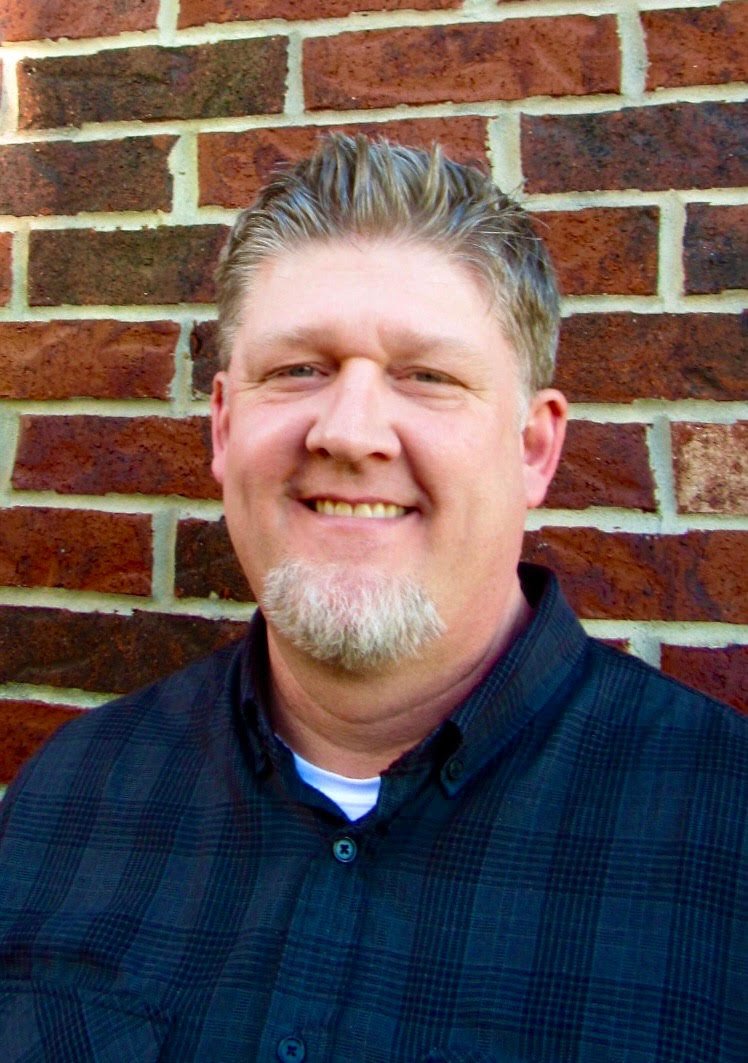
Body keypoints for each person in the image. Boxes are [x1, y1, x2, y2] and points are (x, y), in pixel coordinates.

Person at [0, 135, 744, 1062]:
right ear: (224, 426)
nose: (350, 432)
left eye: (427, 376)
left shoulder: (724, 836)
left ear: (534, 449)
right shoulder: (67, 800)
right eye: (298, 369)